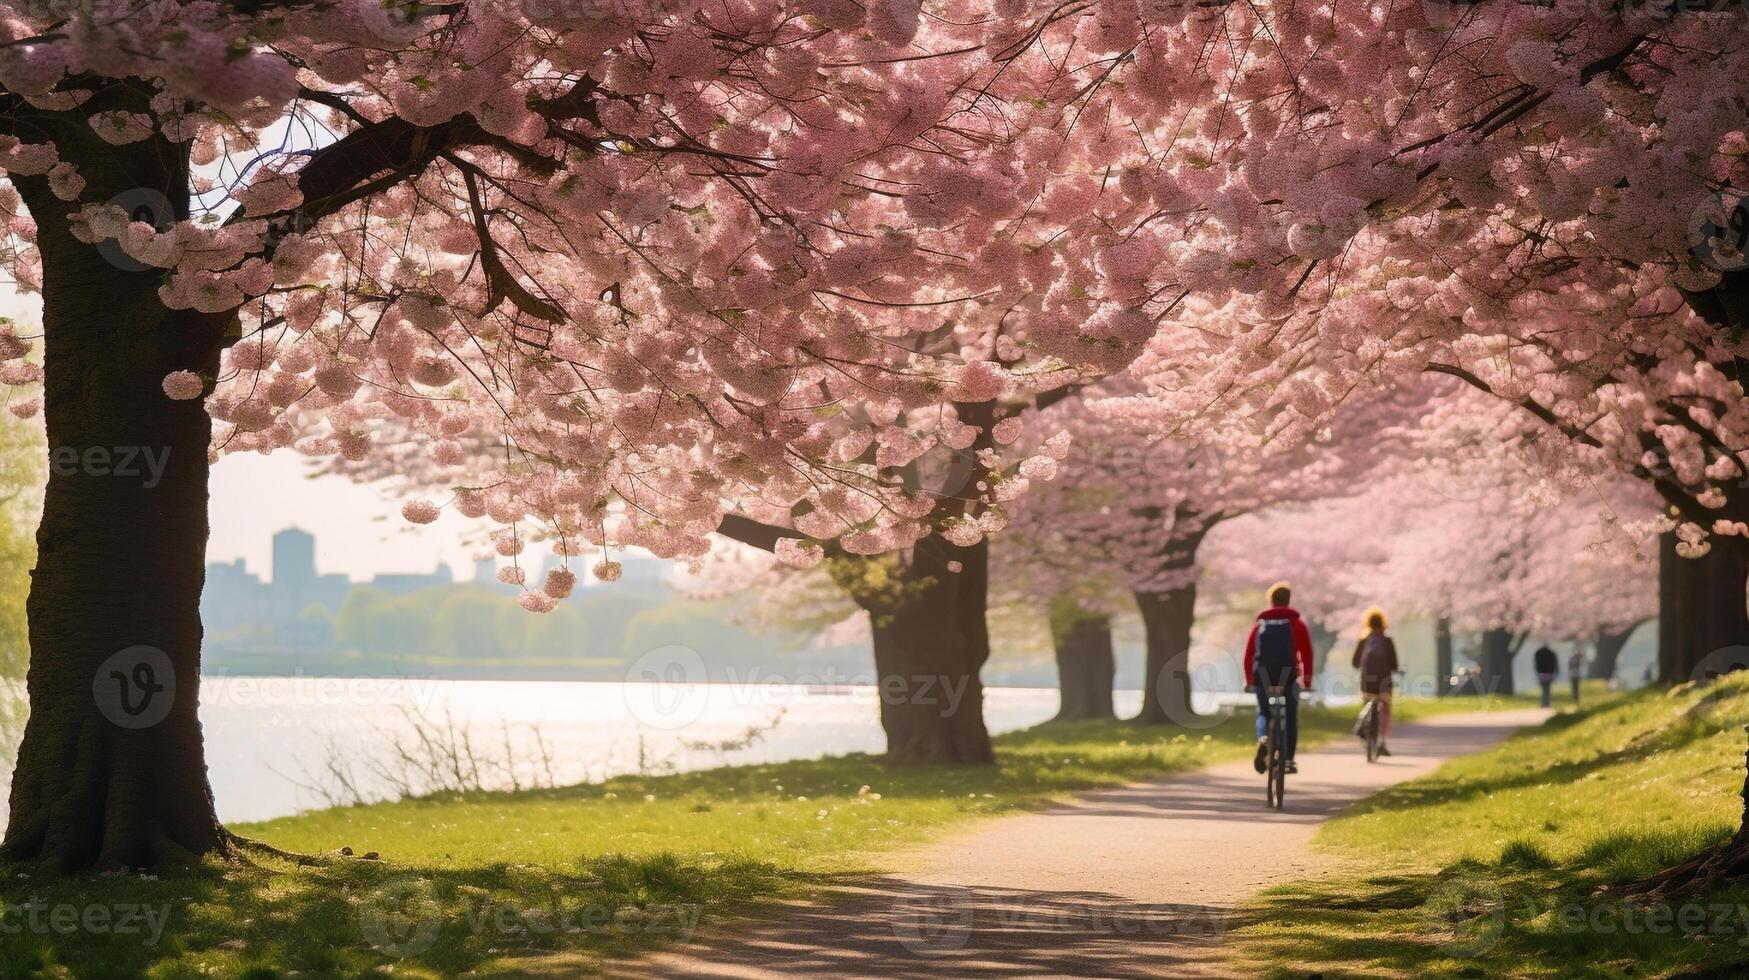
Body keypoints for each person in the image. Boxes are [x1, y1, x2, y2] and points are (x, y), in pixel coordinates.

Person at [1245, 582, 1315, 776]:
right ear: (1288, 599)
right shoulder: (1297, 624)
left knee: (1263, 713)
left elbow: (1249, 654)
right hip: (1288, 676)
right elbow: (1307, 653)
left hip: (1262, 676)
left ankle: (1263, 739)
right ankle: (1289, 760)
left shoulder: (1260, 625)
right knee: (1290, 716)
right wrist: (1307, 682)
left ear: (1271, 600)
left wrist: (1250, 680)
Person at [1352, 607, 1399, 756]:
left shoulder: (1363, 640)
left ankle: (1363, 725)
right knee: (1385, 710)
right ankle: (1382, 742)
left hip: (1367, 681)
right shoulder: (1387, 640)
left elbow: (1355, 662)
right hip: (1384, 682)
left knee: (1367, 704)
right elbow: (1394, 663)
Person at [1533, 643, 1559, 707]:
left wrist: (1538, 671)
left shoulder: (1538, 653)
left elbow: (1536, 664)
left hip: (1541, 673)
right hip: (1549, 674)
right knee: (1547, 689)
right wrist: (1556, 672)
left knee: (1543, 689)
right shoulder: (1552, 654)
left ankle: (1544, 702)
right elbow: (1555, 664)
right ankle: (1547, 702)